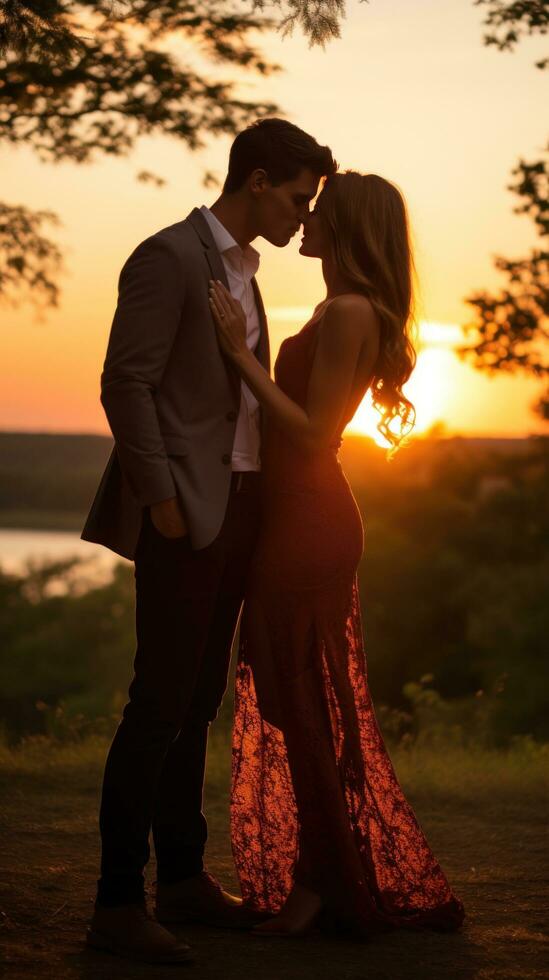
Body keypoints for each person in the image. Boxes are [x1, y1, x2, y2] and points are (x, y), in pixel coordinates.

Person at [81, 118, 337, 963]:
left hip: (238, 514)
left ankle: (182, 883)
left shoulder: (245, 272)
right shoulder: (168, 256)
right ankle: (118, 904)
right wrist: (160, 501)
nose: (305, 215)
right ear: (257, 180)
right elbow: (128, 382)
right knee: (157, 705)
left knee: (194, 705)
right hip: (185, 514)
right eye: (299, 197)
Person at [209, 170, 465, 938]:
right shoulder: (334, 307)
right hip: (293, 516)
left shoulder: (350, 310)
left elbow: (317, 434)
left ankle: (321, 884)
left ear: (349, 229)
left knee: (299, 701)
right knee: (293, 701)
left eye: (319, 212)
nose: (304, 220)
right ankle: (320, 873)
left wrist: (238, 355)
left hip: (310, 523)